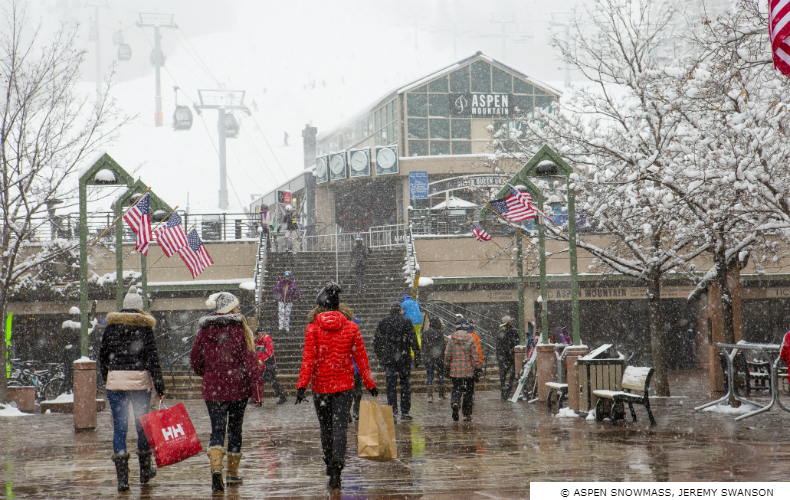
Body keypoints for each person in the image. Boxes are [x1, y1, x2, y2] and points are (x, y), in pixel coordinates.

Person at [295, 282, 378, 491]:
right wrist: (370, 384)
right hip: (344, 386)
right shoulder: (351, 327)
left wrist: (302, 386)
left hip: (321, 387)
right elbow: (361, 358)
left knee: (326, 428)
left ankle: (328, 461)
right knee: (341, 427)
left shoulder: (312, 328)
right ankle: (337, 467)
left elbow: (308, 360)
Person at [191, 292, 263, 492]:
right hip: (237, 389)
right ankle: (232, 473)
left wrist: (208, 374)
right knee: (235, 429)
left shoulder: (203, 332)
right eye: (237, 307)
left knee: (217, 429)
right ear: (231, 309)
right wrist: (256, 390)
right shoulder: (241, 330)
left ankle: (216, 468)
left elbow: (195, 360)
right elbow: (251, 362)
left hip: (213, 389)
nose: (238, 310)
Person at [99, 286, 165, 492]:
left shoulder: (111, 328)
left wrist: (108, 376)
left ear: (124, 307)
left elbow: (102, 356)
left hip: (116, 382)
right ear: (140, 309)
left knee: (119, 428)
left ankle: (122, 479)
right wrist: (160, 385)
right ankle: (145, 471)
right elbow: (153, 359)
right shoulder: (145, 329)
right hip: (139, 383)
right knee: (142, 425)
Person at [374, 301, 421, 420]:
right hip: (404, 359)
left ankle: (393, 412)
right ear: (400, 309)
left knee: (391, 387)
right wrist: (417, 355)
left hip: (389, 359)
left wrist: (381, 356)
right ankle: (405, 411)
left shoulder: (383, 322)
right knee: (405, 386)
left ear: (390, 309)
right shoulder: (406, 321)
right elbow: (413, 340)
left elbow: (376, 342)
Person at [444, 316, 482, 422]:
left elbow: (447, 355)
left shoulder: (451, 339)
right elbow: (475, 355)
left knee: (456, 389)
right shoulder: (470, 338)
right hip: (468, 371)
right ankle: (466, 414)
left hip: (455, 371)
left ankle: (455, 402)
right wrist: (478, 368)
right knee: (468, 393)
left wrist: (446, 366)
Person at [254, 328, 288, 405]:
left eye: (257, 334)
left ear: (261, 333)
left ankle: (257, 399)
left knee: (263, 381)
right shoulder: (257, 342)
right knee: (271, 381)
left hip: (268, 365)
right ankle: (282, 396)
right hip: (262, 366)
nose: (256, 336)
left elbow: (269, 353)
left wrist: (261, 360)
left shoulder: (267, 340)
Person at [421, 317, 447, 402]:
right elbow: (442, 346)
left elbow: (423, 345)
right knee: (440, 376)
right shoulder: (439, 333)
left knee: (430, 376)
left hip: (428, 358)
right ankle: (441, 395)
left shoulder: (425, 333)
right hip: (438, 358)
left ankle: (430, 396)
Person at [497, 316, 521, 400]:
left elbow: (499, 345)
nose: (512, 323)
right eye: (510, 321)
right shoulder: (512, 332)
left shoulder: (500, 332)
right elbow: (515, 342)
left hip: (503, 355)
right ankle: (509, 388)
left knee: (503, 373)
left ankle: (504, 389)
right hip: (509, 355)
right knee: (512, 372)